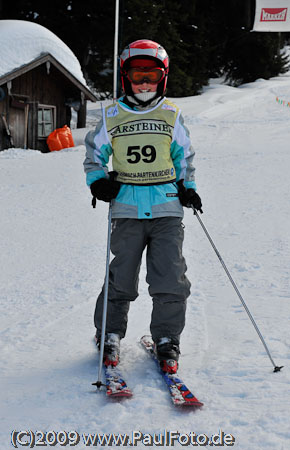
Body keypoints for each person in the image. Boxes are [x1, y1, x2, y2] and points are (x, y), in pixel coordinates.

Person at [84, 39, 202, 374]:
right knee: (121, 278)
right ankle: (109, 333)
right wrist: (98, 181)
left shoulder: (171, 115)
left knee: (170, 278)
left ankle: (166, 338)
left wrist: (188, 188)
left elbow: (184, 157)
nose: (145, 83)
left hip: (166, 209)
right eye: (138, 75)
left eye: (152, 75)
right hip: (126, 210)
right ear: (126, 77)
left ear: (162, 78)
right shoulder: (111, 116)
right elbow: (94, 155)